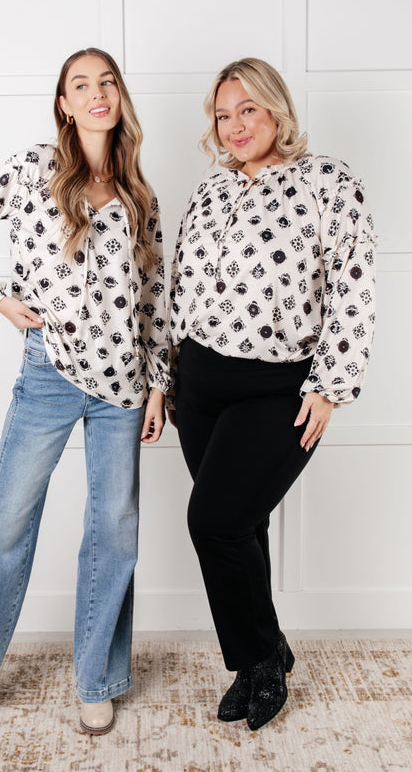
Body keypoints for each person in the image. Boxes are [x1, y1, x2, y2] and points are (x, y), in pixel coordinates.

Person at [0, 48, 170, 744]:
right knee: (4, 525)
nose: (96, 93)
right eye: (80, 85)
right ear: (64, 103)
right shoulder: (34, 168)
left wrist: (158, 385)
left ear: (119, 94)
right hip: (48, 372)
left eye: (106, 81)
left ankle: (97, 682)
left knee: (113, 533)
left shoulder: (140, 194)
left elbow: (155, 299)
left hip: (122, 386)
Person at [167, 58, 376, 731]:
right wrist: (168, 376)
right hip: (199, 383)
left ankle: (256, 660)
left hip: (277, 385)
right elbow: (179, 285)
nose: (234, 126)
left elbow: (353, 284)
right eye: (222, 115)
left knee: (214, 521)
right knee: (241, 525)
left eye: (247, 109)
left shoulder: (328, 181)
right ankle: (267, 650)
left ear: (276, 109)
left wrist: (331, 384)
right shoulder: (210, 188)